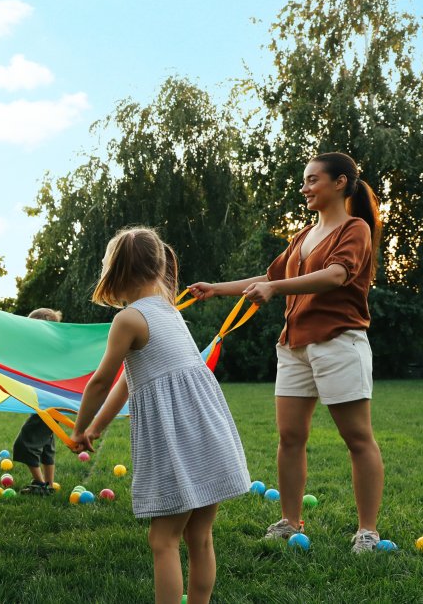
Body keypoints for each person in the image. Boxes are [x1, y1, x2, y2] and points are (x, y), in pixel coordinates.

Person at [188, 151, 384, 553]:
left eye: (313, 180)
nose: (305, 187)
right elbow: (272, 277)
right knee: (289, 437)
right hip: (293, 345)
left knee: (357, 437)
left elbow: (336, 275)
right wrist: (216, 288)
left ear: (340, 182)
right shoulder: (302, 236)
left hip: (338, 341)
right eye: (305, 180)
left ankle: (367, 530)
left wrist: (276, 289)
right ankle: (289, 520)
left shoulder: (355, 228)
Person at [74, 227, 249, 604]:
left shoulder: (129, 320)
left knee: (162, 540)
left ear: (116, 271)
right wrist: (97, 427)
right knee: (199, 536)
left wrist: (77, 429)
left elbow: (102, 381)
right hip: (207, 431)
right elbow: (129, 381)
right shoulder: (169, 312)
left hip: (178, 438)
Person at [13, 307, 63, 495]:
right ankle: (49, 485)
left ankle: (40, 485)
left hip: (49, 405)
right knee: (46, 446)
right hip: (51, 404)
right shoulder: (52, 350)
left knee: (24, 442)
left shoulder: (48, 351)